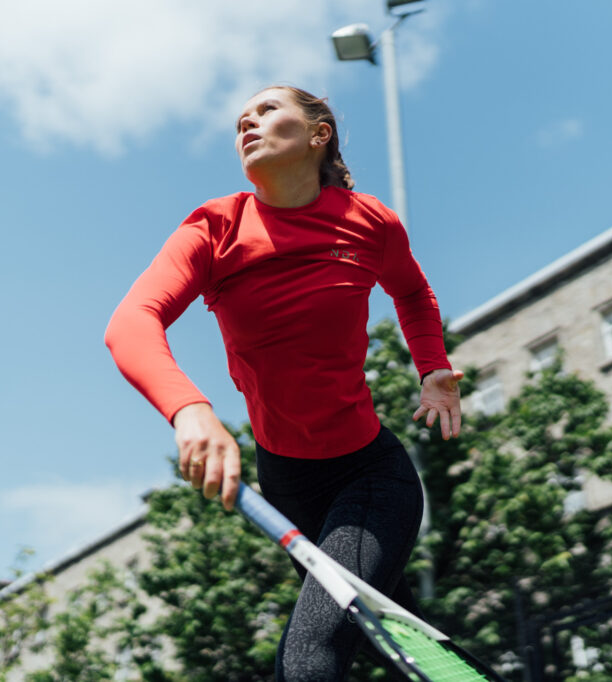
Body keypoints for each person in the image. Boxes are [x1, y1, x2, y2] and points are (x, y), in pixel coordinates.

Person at [104, 85, 463, 681]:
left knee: (308, 661)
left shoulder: (371, 223)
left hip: (368, 474)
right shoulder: (215, 228)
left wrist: (434, 369)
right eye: (241, 119)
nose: (249, 121)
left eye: (268, 110)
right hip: (289, 485)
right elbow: (131, 322)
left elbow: (413, 293)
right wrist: (189, 410)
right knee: (387, 645)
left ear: (319, 135)